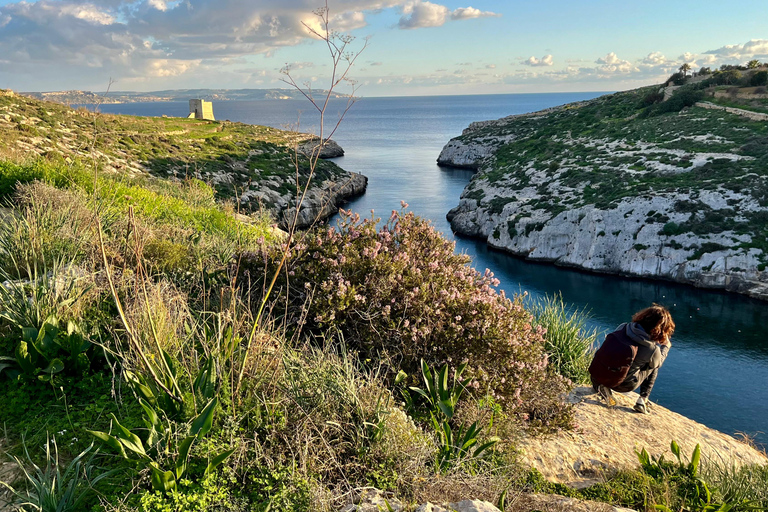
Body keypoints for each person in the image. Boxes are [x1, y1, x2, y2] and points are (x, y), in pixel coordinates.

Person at [591, 304, 675, 414]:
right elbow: (659, 362)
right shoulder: (652, 349)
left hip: (597, 374)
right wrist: (666, 347)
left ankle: (600, 385)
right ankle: (642, 401)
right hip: (622, 385)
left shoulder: (623, 327)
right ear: (660, 329)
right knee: (654, 366)